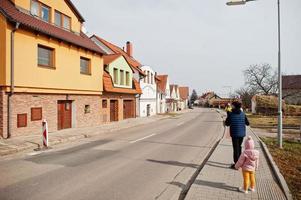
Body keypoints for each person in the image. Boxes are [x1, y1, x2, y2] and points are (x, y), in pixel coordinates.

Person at [225, 101, 250, 169]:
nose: (231, 106)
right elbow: (247, 123)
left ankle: (236, 165)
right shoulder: (243, 114)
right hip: (242, 134)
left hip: (235, 133)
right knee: (239, 147)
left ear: (234, 106)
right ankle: (240, 162)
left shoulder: (231, 114)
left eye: (232, 105)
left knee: (235, 148)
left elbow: (227, 124)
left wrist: (227, 117)